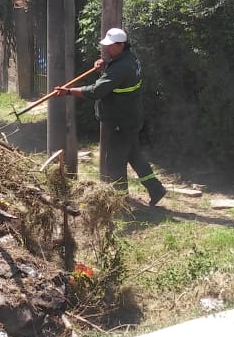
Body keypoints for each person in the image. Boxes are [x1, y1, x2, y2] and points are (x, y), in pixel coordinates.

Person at [54, 27, 167, 206]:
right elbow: (116, 77)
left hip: (120, 122)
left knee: (114, 161)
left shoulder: (121, 67)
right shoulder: (129, 58)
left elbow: (97, 91)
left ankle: (119, 201)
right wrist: (105, 65)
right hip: (130, 117)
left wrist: (68, 91)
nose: (106, 49)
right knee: (134, 155)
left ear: (121, 45)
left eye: (110, 46)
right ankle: (156, 189)